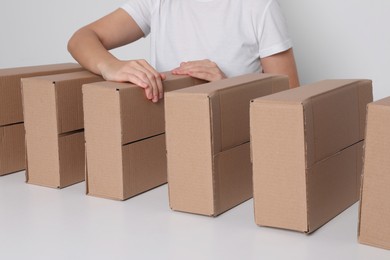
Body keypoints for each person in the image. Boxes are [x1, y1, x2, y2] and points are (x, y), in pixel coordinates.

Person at [68, 0, 299, 103]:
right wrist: (111, 66)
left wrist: (225, 90)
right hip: (168, 145)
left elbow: (290, 105)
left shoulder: (258, 7)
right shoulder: (157, 3)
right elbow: (81, 39)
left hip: (233, 150)